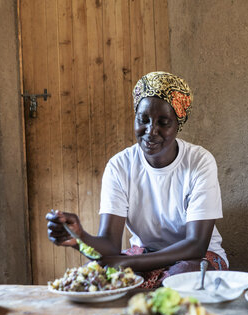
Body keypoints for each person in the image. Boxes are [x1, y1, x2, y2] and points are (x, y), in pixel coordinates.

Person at [46, 71, 228, 288]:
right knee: (94, 277)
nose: (151, 131)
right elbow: (110, 246)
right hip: (144, 254)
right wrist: (80, 238)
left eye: (163, 122)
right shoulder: (120, 166)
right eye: (143, 120)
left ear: (178, 125)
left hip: (197, 257)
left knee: (181, 277)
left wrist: (127, 262)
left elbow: (195, 245)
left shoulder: (199, 161)